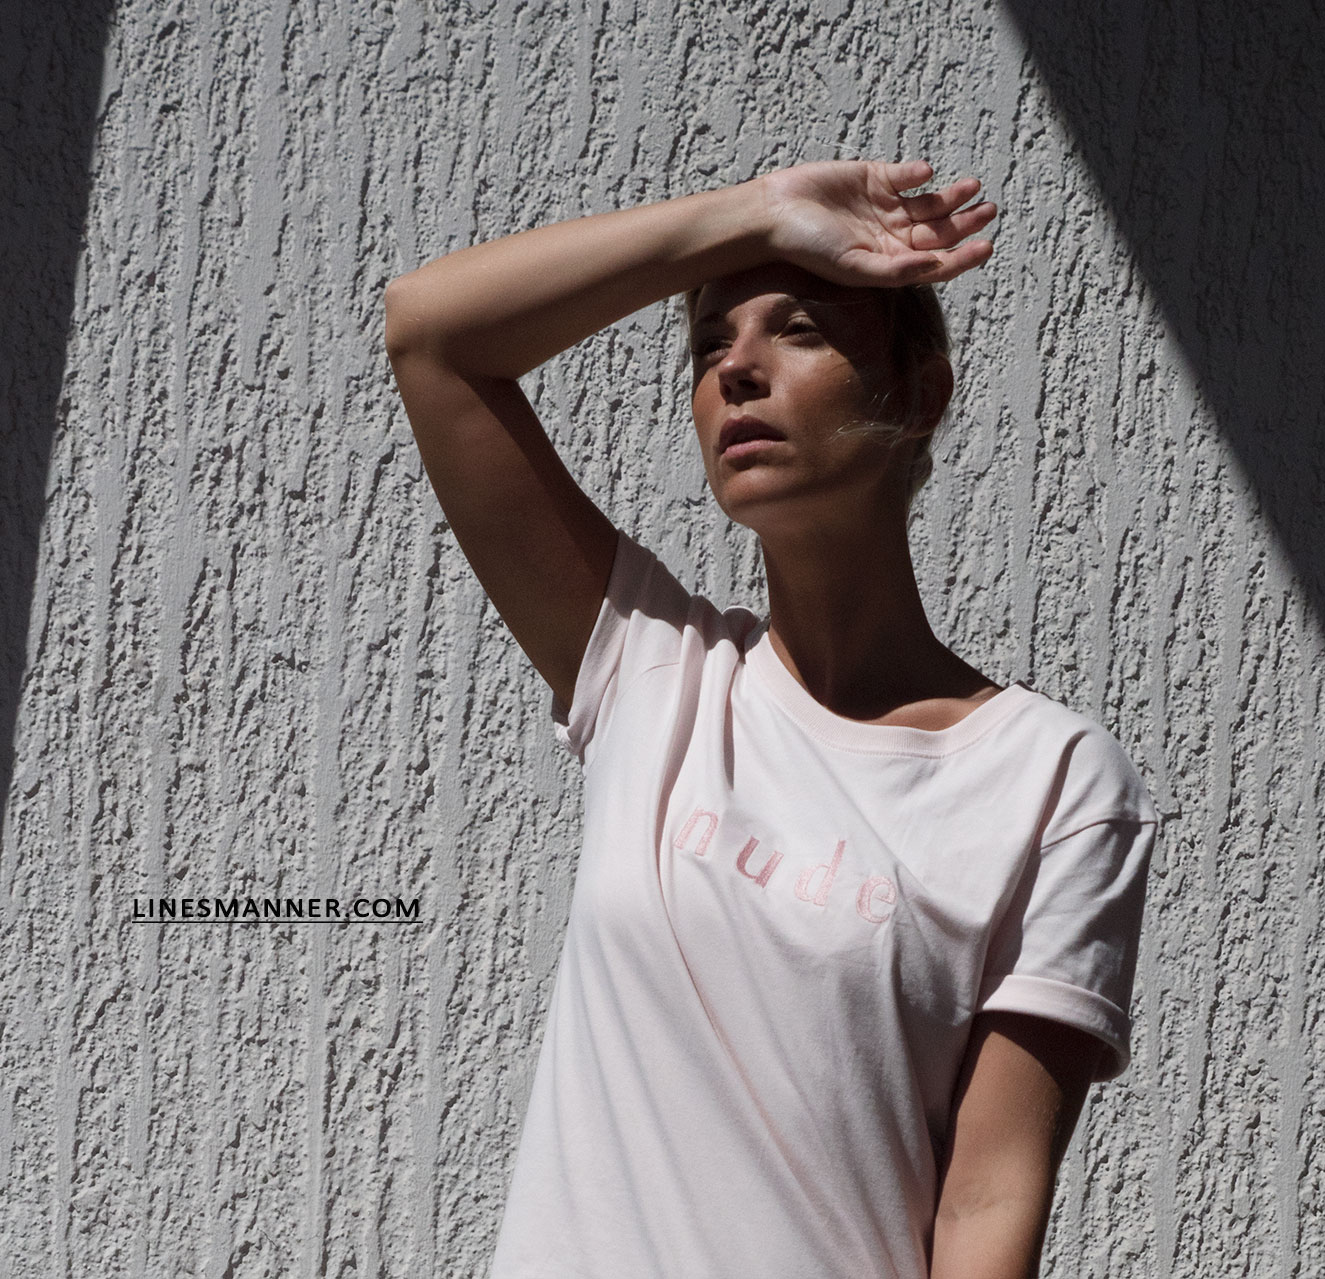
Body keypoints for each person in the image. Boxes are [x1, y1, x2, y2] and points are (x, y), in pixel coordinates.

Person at [384, 159, 1158, 1279]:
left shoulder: (1054, 778)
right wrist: (749, 215)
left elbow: (988, 1202)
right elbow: (432, 336)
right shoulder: (654, 669)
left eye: (798, 329)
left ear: (921, 393)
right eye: (708, 345)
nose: (736, 369)